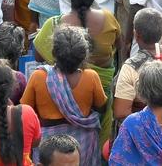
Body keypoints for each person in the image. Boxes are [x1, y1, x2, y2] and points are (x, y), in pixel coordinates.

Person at [21, 24, 106, 162]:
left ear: (54, 52)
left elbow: (26, 110)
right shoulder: (91, 77)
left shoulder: (39, 76)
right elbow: (101, 107)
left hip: (48, 147)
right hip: (83, 145)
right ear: (83, 54)